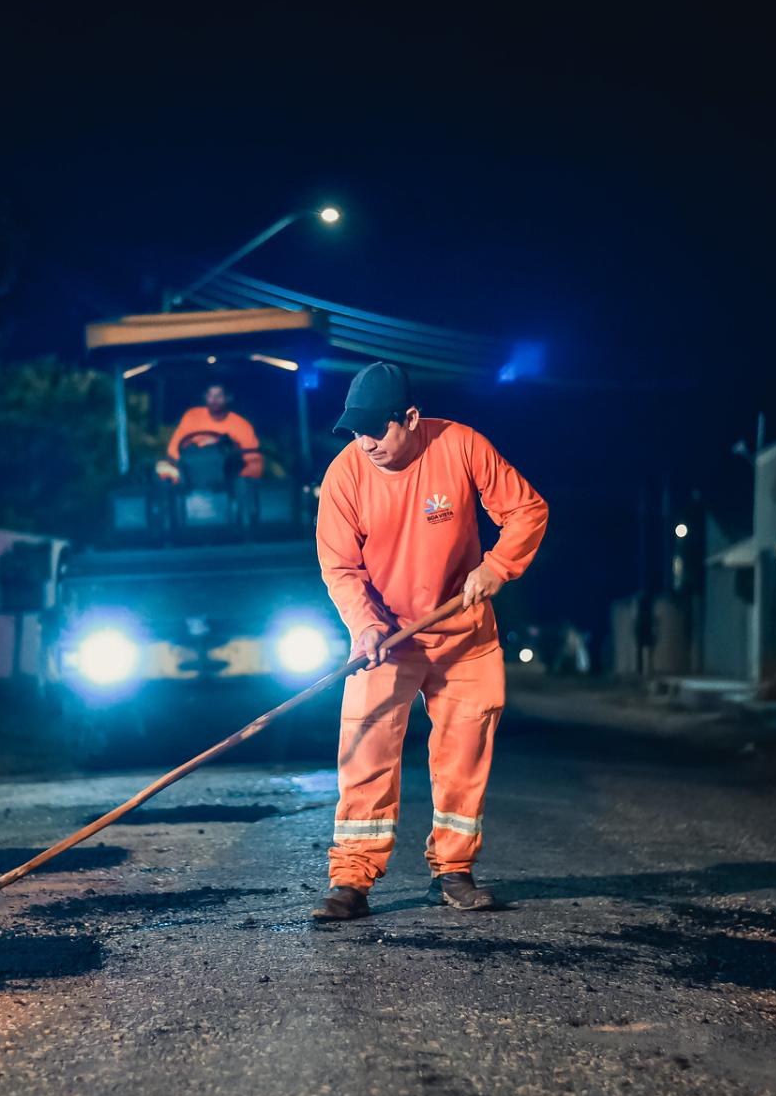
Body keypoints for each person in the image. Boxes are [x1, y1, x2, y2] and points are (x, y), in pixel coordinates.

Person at [311, 362, 549, 921]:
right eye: (356, 431)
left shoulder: (460, 445)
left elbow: (526, 510)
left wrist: (497, 566)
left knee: (464, 753)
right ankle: (351, 881)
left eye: (377, 429)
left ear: (411, 418)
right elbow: (340, 566)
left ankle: (454, 871)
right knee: (366, 751)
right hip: (387, 638)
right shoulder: (345, 475)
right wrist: (365, 624)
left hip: (463, 632)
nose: (366, 442)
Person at [166, 383, 263, 479]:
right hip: (191, 474)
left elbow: (253, 460)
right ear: (205, 397)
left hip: (226, 478)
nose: (214, 400)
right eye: (210, 395)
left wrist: (238, 479)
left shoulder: (242, 425)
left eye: (219, 396)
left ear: (228, 398)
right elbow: (174, 447)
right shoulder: (192, 416)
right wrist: (182, 469)